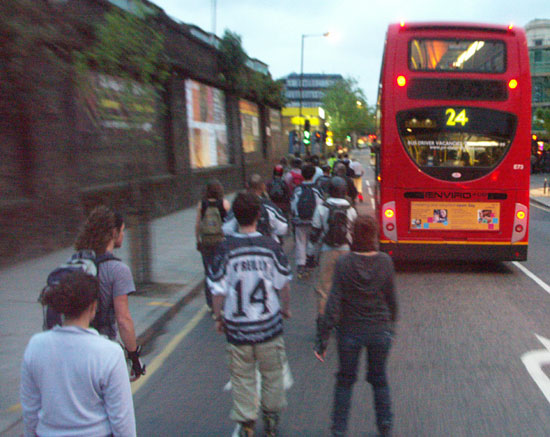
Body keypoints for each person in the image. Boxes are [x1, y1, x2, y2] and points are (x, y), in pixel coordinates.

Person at [209, 192, 292, 437]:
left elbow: (217, 289)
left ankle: (246, 421)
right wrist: (286, 308)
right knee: (272, 374)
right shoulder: (271, 246)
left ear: (235, 217)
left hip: (238, 329)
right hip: (269, 326)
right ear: (259, 215)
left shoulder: (226, 249)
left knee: (242, 376)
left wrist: (218, 316)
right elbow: (283, 283)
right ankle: (271, 417)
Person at [21, 271, 136, 437]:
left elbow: (30, 411)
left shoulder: (36, 346)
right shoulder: (110, 353)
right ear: (93, 307)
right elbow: (122, 420)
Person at [314, 215, 398, 437]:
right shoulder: (385, 262)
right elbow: (392, 300)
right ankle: (385, 425)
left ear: (354, 236)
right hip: (380, 330)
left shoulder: (344, 263)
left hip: (350, 332)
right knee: (379, 379)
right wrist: (392, 328)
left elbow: (333, 303)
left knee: (345, 380)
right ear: (374, 235)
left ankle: (339, 428)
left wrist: (322, 338)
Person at [74, 206, 145, 379]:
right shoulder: (118, 270)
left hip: (74, 348)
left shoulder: (77, 263)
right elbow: (123, 320)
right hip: (102, 349)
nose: (123, 234)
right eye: (122, 230)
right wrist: (134, 359)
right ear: (113, 233)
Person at [308, 177, 357, 317]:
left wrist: (310, 256)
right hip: (346, 252)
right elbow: (354, 232)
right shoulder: (350, 209)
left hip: (327, 251)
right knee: (345, 287)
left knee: (323, 290)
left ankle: (322, 326)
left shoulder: (321, 208)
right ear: (345, 191)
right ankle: (341, 320)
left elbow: (314, 235)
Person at [195, 179, 231, 311]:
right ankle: (223, 301)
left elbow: (198, 224)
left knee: (208, 272)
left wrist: (197, 240)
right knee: (222, 271)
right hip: (221, 242)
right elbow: (230, 223)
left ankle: (211, 303)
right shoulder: (224, 204)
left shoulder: (202, 205)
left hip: (206, 242)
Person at [223, 174, 288, 244]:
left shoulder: (239, 204)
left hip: (241, 246)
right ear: (263, 187)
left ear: (247, 186)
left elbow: (226, 229)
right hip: (265, 245)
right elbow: (282, 227)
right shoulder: (267, 206)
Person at [291, 164, 324, 279]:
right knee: (313, 241)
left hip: (300, 221)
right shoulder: (317, 189)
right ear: (314, 174)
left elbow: (293, 205)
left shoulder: (298, 189)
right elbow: (320, 206)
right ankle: (310, 262)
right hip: (313, 221)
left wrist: (296, 216)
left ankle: (301, 264)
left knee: (300, 242)